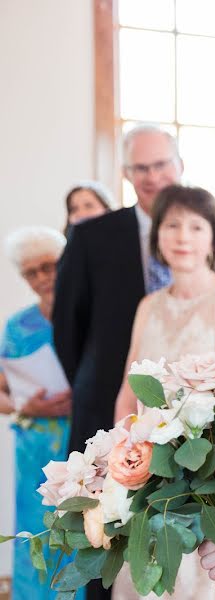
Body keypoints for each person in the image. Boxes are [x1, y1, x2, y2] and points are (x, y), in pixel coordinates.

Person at [53, 125, 215, 600]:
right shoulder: (98, 242)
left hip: (200, 454)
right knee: (114, 560)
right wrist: (121, 450)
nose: (153, 175)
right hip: (124, 437)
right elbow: (68, 326)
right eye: (141, 167)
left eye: (161, 163)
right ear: (126, 174)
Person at [111, 185, 215, 600]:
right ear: (157, 235)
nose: (182, 237)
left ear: (214, 237)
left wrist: (183, 465)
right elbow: (127, 393)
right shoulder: (149, 306)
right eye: (171, 225)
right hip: (146, 480)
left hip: (205, 478)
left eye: (196, 226)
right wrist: (123, 461)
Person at [0, 227, 84, 600]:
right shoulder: (17, 327)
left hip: (81, 443)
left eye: (48, 266)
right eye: (31, 272)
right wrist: (24, 405)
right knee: (35, 537)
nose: (42, 278)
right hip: (34, 448)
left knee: (83, 535)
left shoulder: (87, 314)